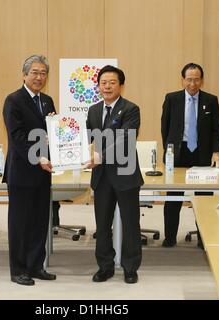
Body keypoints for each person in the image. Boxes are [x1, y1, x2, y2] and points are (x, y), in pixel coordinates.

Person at [85, 65, 143, 284]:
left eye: (112, 82)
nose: (107, 86)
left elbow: (125, 139)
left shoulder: (131, 109)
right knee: (102, 225)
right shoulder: (93, 110)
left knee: (130, 223)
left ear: (121, 85)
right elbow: (87, 139)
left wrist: (100, 156)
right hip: (101, 177)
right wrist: (57, 130)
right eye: (103, 83)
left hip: (125, 175)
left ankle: (130, 267)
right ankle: (105, 266)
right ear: (98, 86)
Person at [3, 55, 56, 286]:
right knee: (20, 223)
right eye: (34, 72)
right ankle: (18, 269)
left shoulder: (47, 100)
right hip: (23, 171)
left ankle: (36, 266)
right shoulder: (13, 100)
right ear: (24, 74)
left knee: (39, 221)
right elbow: (17, 137)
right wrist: (39, 158)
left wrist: (57, 128)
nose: (39, 77)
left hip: (43, 172)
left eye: (43, 73)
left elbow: (52, 135)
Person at [161, 63, 219, 249]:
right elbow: (165, 127)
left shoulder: (211, 100)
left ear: (201, 80)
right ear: (183, 80)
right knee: (173, 198)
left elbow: (217, 129)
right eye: (189, 79)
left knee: (204, 198)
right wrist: (169, 150)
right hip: (179, 154)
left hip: (202, 154)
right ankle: (170, 237)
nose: (193, 83)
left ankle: (204, 238)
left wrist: (216, 152)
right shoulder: (172, 99)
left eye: (196, 79)